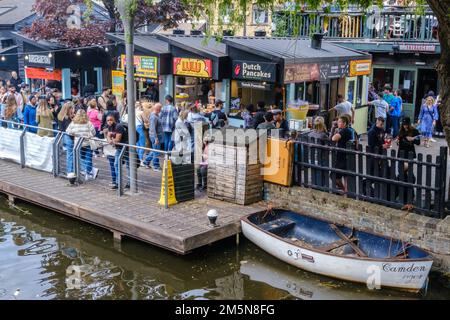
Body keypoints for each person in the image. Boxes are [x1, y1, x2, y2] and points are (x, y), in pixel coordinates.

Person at [65, 109, 97, 180]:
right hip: (87, 143)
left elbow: (68, 132)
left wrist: (75, 134)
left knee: (80, 158)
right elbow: (94, 132)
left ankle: (80, 171)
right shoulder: (88, 123)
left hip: (78, 145)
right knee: (88, 159)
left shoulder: (73, 123)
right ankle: (88, 173)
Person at [105, 114, 130, 189]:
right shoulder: (110, 127)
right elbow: (108, 136)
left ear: (114, 120)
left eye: (111, 120)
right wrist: (110, 140)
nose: (109, 121)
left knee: (129, 166)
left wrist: (111, 140)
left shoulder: (118, 126)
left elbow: (117, 140)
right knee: (116, 164)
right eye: (108, 120)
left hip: (126, 147)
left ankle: (130, 183)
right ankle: (118, 183)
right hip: (119, 148)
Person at [331, 116, 353, 193]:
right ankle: (346, 190)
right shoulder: (349, 130)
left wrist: (334, 130)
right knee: (345, 174)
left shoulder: (344, 131)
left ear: (344, 123)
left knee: (333, 176)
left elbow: (333, 138)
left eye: (340, 122)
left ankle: (344, 189)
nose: (338, 123)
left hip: (342, 155)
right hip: (346, 154)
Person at [143, 103, 163, 171]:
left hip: (157, 136)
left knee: (154, 151)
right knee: (156, 152)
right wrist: (155, 138)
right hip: (155, 137)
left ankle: (146, 162)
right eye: (160, 108)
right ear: (158, 109)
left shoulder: (156, 115)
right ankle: (156, 166)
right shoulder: (153, 116)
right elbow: (152, 128)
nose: (161, 109)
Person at [58, 102, 75, 175]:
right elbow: (69, 129)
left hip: (64, 136)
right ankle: (70, 171)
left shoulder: (60, 116)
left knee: (69, 154)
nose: (73, 110)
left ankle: (70, 170)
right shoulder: (67, 118)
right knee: (71, 155)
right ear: (69, 109)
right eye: (72, 108)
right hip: (69, 137)